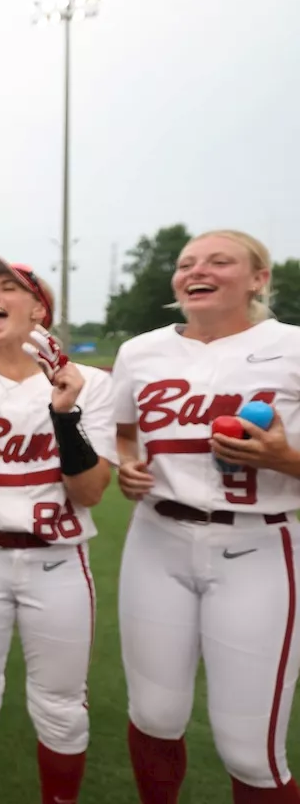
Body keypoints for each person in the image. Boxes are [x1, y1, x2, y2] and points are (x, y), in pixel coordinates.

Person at [112, 229, 300, 804]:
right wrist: (127, 465)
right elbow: (123, 431)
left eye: (221, 260)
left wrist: (285, 458)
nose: (200, 270)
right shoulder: (140, 352)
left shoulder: (293, 346)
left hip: (259, 547)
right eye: (188, 262)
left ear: (259, 279)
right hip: (156, 538)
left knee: (251, 749)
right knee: (154, 716)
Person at [0, 258, 115, 804]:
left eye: (7, 288)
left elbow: (89, 492)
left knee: (61, 705)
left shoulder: (93, 385)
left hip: (58, 559)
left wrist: (65, 414)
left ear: (41, 309)